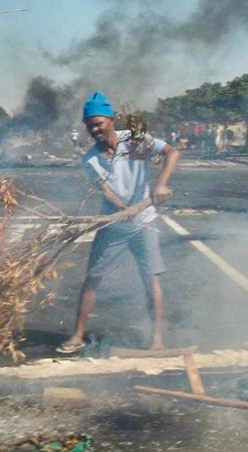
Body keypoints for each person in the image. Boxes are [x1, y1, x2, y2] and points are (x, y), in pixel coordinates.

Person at [57, 92, 181, 354]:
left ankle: (157, 339)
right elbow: (104, 190)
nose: (94, 129)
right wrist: (122, 210)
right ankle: (77, 335)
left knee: (151, 279)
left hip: (144, 223)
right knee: (93, 278)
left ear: (111, 120)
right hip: (113, 224)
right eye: (90, 125)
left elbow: (172, 152)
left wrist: (161, 184)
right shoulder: (90, 159)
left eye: (98, 123)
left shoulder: (135, 141)